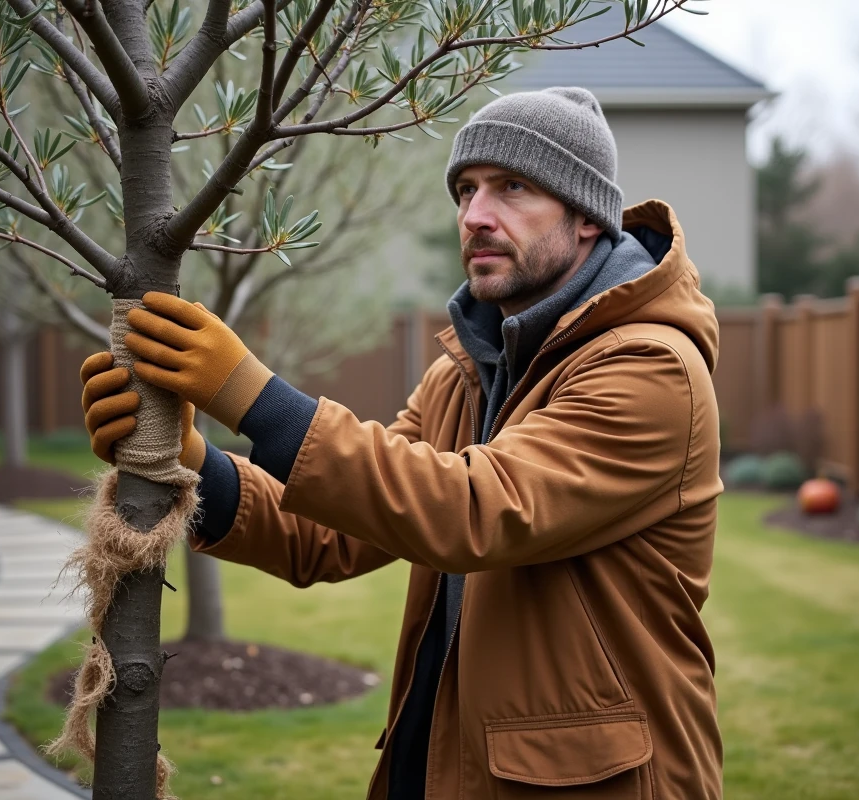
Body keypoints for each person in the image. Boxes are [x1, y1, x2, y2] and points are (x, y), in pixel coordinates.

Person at [80, 86, 724, 799]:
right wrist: (191, 463)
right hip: (445, 767)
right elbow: (330, 531)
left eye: (512, 188)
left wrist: (250, 396)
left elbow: (474, 509)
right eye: (466, 190)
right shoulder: (468, 376)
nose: (475, 216)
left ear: (584, 218)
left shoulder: (650, 369)